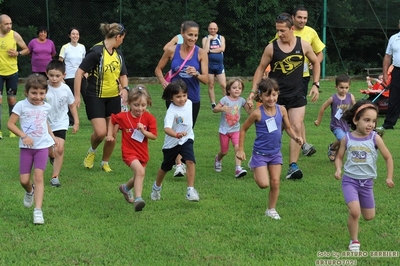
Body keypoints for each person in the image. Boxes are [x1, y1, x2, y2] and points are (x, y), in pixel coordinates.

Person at [247, 13, 320, 180]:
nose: (279, 34)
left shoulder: (304, 45)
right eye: (277, 30)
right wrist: (253, 91)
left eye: (282, 31)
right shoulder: (271, 48)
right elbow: (260, 69)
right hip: (275, 96)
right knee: (273, 130)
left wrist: (316, 84)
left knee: (295, 126)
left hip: (297, 93)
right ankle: (258, 156)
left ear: (291, 29)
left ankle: (293, 166)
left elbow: (315, 62)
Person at [236, 78, 303, 219]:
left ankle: (271, 209)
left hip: (275, 153)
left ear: (278, 94)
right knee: (263, 184)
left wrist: (296, 137)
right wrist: (240, 149)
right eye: (267, 95)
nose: (271, 98)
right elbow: (243, 129)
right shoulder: (257, 113)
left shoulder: (282, 110)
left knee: (275, 181)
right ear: (260, 96)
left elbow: (289, 127)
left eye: (274, 95)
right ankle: (254, 165)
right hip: (260, 153)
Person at [334, 100, 394, 252]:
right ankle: (354, 240)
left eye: (373, 121)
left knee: (369, 216)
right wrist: (338, 169)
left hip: (367, 183)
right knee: (355, 211)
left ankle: (359, 206)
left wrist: (389, 177)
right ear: (355, 120)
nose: (371, 124)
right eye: (367, 120)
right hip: (350, 181)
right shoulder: (346, 138)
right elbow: (339, 157)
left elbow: (388, 157)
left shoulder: (375, 138)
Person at [155, 20, 208, 177]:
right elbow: (158, 69)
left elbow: (207, 80)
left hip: (192, 100)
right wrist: (164, 82)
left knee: (187, 130)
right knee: (175, 128)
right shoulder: (172, 50)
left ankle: (180, 161)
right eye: (190, 35)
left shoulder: (201, 53)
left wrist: (196, 74)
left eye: (196, 35)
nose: (192, 38)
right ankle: (178, 164)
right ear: (182, 33)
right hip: (174, 99)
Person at [74, 23, 129, 173]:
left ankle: (105, 162)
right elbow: (79, 73)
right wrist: (77, 96)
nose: (122, 41)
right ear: (117, 37)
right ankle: (92, 151)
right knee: (100, 133)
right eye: (122, 38)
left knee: (112, 134)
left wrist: (124, 89)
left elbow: (123, 75)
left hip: (113, 98)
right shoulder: (96, 52)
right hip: (95, 97)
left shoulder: (118, 54)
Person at [7, 74, 58, 225]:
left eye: (41, 93)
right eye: (34, 93)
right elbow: (10, 124)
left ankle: (38, 211)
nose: (37, 97)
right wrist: (23, 136)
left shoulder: (46, 106)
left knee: (39, 177)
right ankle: (30, 191)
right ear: (26, 92)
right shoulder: (21, 106)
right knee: (24, 180)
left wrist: (52, 136)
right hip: (26, 148)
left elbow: (45, 123)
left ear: (45, 93)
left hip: (42, 147)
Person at [106, 85, 157, 212]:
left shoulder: (149, 118)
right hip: (129, 152)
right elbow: (112, 120)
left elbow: (154, 136)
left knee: (138, 175)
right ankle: (138, 199)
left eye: (143, 105)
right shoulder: (124, 117)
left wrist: (144, 132)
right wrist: (109, 134)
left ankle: (125, 188)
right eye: (136, 105)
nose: (140, 109)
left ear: (148, 104)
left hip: (143, 153)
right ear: (129, 103)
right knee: (140, 172)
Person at [150, 80, 200, 202]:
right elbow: (166, 129)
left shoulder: (189, 103)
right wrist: (176, 134)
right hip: (172, 143)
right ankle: (156, 187)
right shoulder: (171, 111)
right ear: (171, 98)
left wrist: (184, 134)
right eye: (178, 96)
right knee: (165, 167)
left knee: (190, 161)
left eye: (184, 95)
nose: (182, 99)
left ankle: (190, 190)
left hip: (187, 139)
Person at [292, 6, 326, 157]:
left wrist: (314, 62)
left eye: (305, 18)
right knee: (284, 113)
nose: (302, 20)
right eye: (299, 17)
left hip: (303, 77)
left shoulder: (311, 32)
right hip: (284, 78)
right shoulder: (286, 30)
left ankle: (303, 144)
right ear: (293, 17)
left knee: (298, 111)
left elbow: (320, 55)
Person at [45, 60, 79, 187]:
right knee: (50, 151)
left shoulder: (65, 89)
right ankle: (51, 156)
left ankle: (55, 177)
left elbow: (72, 105)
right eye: (51, 75)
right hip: (45, 123)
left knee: (59, 148)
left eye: (57, 76)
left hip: (61, 122)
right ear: (46, 74)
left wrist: (76, 121)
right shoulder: (43, 88)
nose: (54, 78)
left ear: (64, 75)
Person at [212, 78, 251, 178]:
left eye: (239, 88)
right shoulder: (225, 99)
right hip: (224, 130)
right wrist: (221, 108)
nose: (237, 90)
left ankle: (238, 169)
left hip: (236, 130)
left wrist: (250, 106)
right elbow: (215, 109)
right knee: (224, 151)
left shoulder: (242, 101)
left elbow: (250, 113)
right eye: (234, 88)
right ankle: (218, 159)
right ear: (229, 90)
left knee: (238, 148)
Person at [0, 14, 29, 139]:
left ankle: (13, 129)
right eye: (6, 24)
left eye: (10, 23)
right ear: (0, 24)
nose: (9, 26)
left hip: (12, 72)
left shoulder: (14, 35)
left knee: (12, 100)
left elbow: (27, 49)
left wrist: (18, 53)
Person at [314, 74, 356, 161]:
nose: (344, 90)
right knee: (344, 139)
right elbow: (323, 107)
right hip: (336, 125)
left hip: (346, 125)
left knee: (344, 139)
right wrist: (318, 120)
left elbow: (355, 108)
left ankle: (332, 148)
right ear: (336, 87)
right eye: (341, 87)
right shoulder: (333, 98)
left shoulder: (350, 97)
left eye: (346, 88)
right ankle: (336, 154)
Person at [59, 27, 86, 127]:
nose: (75, 36)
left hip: (81, 77)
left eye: (77, 34)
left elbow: (84, 62)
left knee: (87, 97)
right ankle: (71, 121)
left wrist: (86, 73)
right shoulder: (65, 47)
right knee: (70, 99)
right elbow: (60, 62)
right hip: (69, 77)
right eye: (73, 34)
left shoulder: (82, 47)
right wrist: (61, 76)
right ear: (69, 36)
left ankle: (93, 118)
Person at [376, 20, 400, 133]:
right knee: (394, 98)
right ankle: (389, 124)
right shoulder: (394, 38)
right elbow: (387, 56)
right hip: (397, 71)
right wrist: (385, 73)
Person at [202, 22, 226, 109]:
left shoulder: (221, 38)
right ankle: (213, 104)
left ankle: (225, 103)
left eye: (214, 29)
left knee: (223, 85)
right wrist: (209, 40)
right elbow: (205, 51)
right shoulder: (205, 39)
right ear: (208, 29)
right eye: (211, 29)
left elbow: (222, 49)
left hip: (219, 65)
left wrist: (211, 51)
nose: (213, 30)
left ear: (217, 29)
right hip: (209, 66)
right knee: (211, 84)